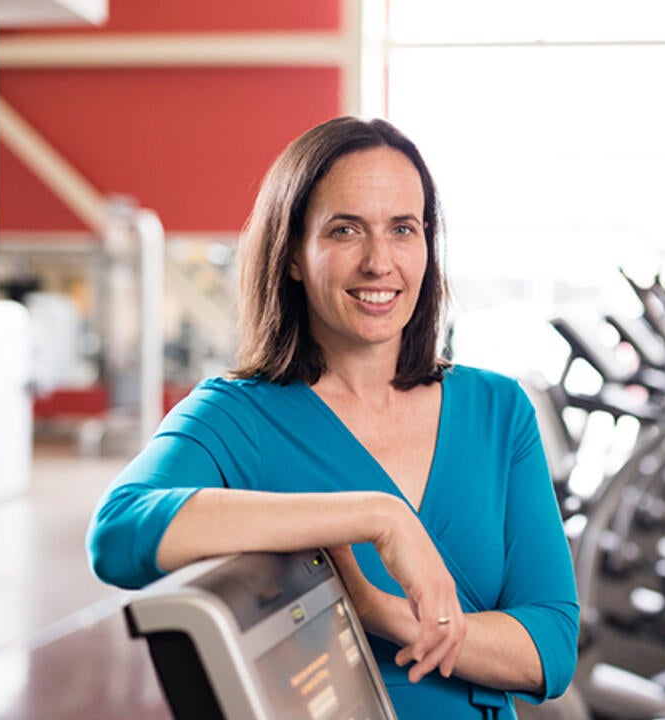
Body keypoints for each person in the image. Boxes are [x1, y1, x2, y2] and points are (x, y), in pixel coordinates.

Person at [86, 116, 579, 718]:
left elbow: (550, 650)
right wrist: (377, 516)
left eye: (403, 229)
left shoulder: (499, 410)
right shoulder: (237, 417)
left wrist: (381, 613)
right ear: (293, 253)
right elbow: (118, 532)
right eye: (345, 230)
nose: (379, 261)